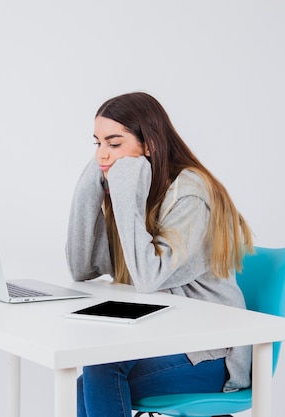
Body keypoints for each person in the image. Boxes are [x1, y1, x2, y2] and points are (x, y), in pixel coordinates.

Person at [66, 92, 254, 417]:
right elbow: (82, 268)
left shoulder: (191, 195)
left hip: (209, 352)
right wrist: (89, 185)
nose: (103, 157)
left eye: (114, 143)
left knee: (98, 374)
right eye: (97, 144)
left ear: (149, 145)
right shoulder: (143, 190)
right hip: (164, 334)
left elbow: (148, 278)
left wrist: (124, 188)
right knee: (90, 377)